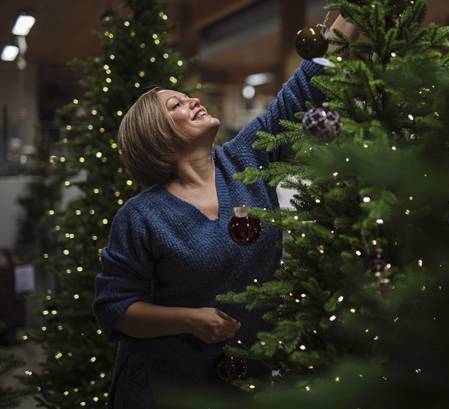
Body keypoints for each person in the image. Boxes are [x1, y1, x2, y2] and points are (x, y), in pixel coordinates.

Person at [92, 14, 359, 409]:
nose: (193, 100)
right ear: (156, 134)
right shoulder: (142, 216)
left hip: (245, 384)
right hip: (165, 389)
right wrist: (189, 319)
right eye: (176, 105)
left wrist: (354, 12)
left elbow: (306, 83)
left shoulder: (245, 160)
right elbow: (115, 308)